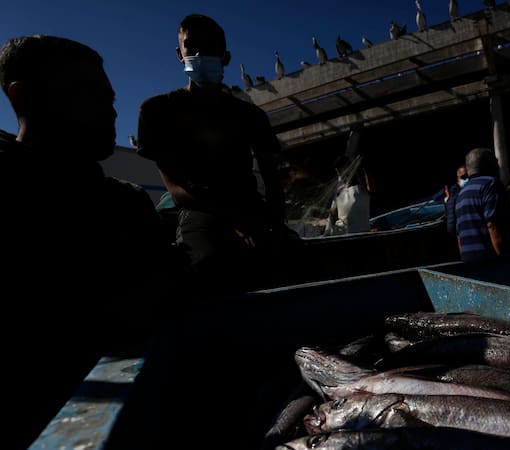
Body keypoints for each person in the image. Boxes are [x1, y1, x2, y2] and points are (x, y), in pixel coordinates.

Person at [0, 35, 186, 449]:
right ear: (23, 97)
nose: (111, 109)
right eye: (87, 93)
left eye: (110, 97)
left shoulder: (126, 202)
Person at [136, 14, 297, 293]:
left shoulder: (251, 116)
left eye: (210, 46)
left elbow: (273, 184)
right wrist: (235, 219)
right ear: (179, 54)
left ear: (226, 57)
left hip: (250, 207)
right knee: (210, 266)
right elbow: (177, 190)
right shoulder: (157, 111)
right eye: (191, 46)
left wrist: (274, 225)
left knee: (294, 260)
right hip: (198, 209)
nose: (200, 54)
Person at [455, 147, 510, 261]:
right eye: (495, 161)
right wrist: (504, 259)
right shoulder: (490, 184)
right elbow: (493, 226)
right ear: (487, 165)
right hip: (491, 261)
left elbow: (459, 235)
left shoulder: (461, 194)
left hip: (469, 262)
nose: (497, 165)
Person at [323, 153, 373, 235]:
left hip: (360, 233)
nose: (340, 173)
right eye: (338, 171)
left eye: (341, 170)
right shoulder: (340, 187)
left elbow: (371, 188)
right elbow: (332, 213)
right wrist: (326, 234)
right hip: (342, 233)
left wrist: (365, 167)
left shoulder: (362, 187)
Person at [445, 163, 468, 237]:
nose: (467, 179)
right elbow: (451, 226)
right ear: (458, 179)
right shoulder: (454, 196)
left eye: (468, 176)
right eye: (464, 177)